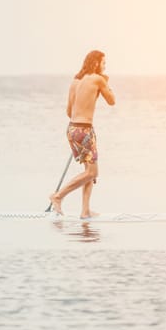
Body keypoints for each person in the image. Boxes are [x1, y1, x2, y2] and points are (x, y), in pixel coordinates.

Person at [49, 50, 115, 218]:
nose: (105, 66)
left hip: (72, 129)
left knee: (88, 171)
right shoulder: (99, 79)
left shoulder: (75, 81)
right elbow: (112, 101)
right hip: (84, 130)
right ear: (96, 63)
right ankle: (58, 196)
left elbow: (69, 111)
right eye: (103, 63)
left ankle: (85, 211)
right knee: (93, 172)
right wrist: (106, 84)